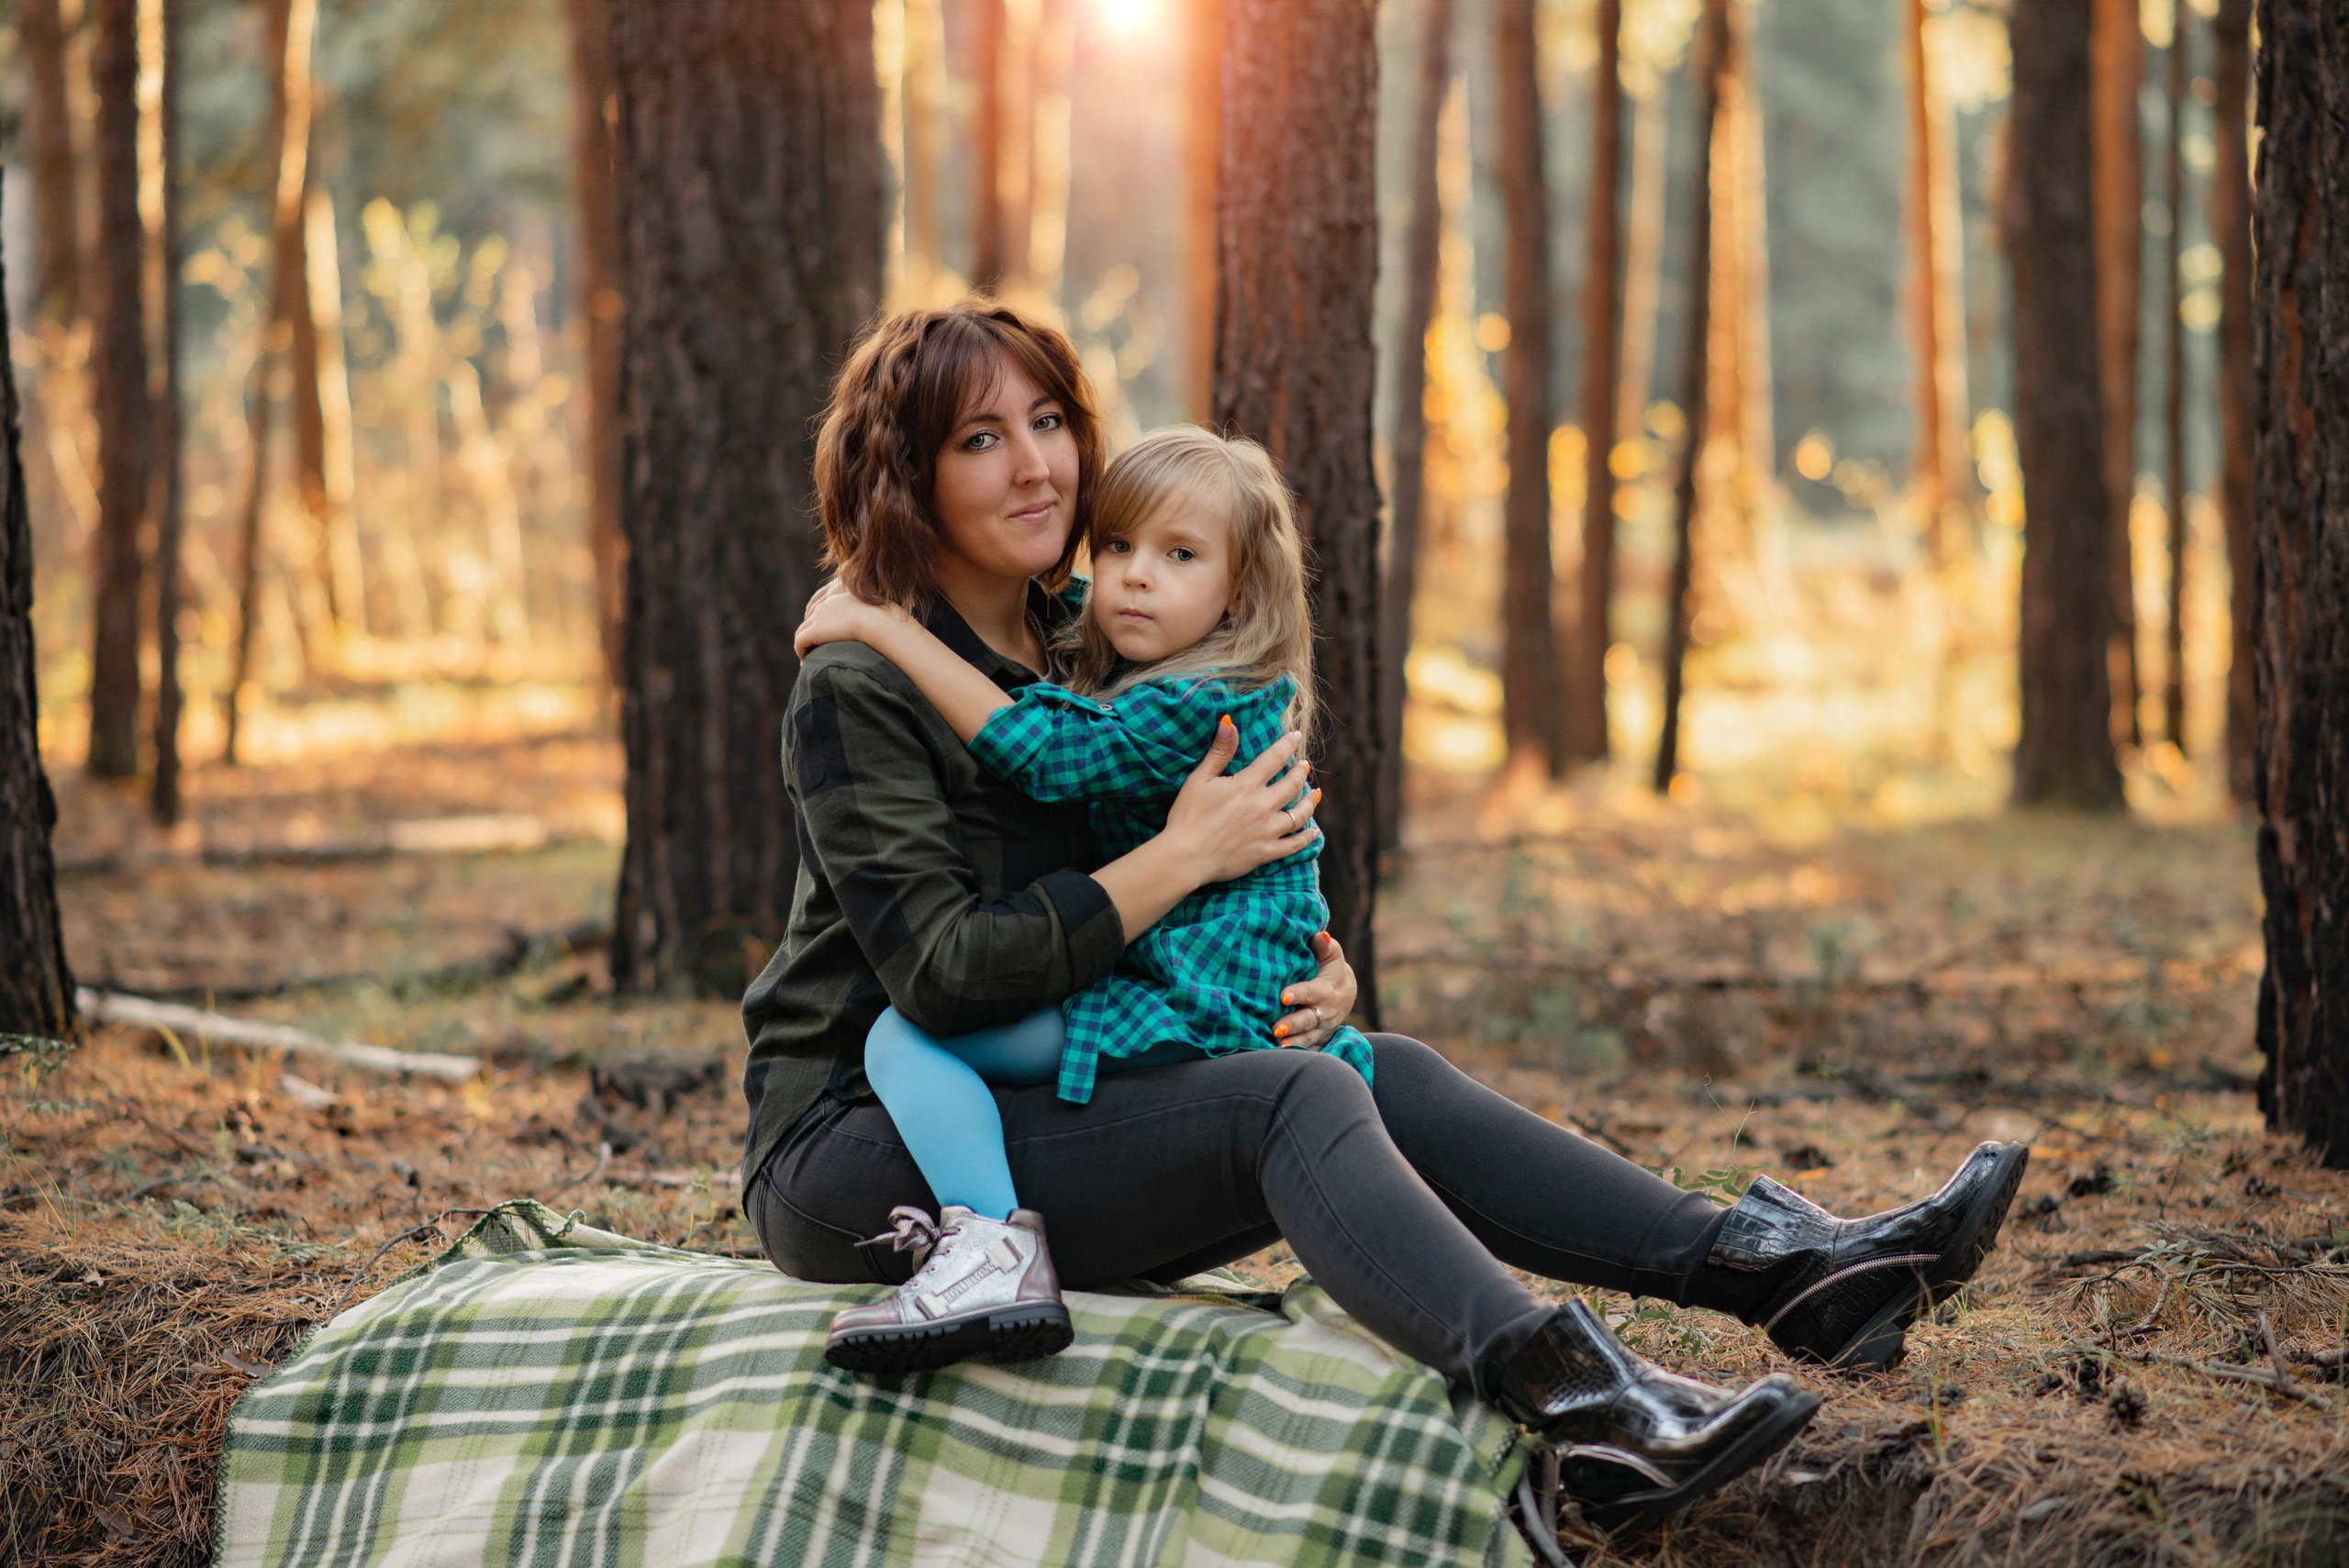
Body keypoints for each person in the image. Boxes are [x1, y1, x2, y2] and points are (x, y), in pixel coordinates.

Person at [741, 301, 2029, 1537]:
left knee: (1371, 1070)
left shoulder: (1093, 632)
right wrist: (1183, 862)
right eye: (980, 439)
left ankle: (1780, 1271)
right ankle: (1585, 1405)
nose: (1037, 466)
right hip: (871, 1141)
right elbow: (947, 979)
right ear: (906, 477)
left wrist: (1283, 964)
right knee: (1291, 1106)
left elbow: (1197, 839)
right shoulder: (862, 680)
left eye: (1048, 422)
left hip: (1049, 1070)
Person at [794, 426, 1375, 1374]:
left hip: (1190, 1005)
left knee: (904, 1036)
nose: (1135, 577)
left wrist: (887, 627)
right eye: (1115, 547)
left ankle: (988, 1248)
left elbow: (1046, 749)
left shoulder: (1188, 703)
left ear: (1239, 589)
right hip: (1221, 986)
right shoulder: (1170, 671)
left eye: (1178, 556)